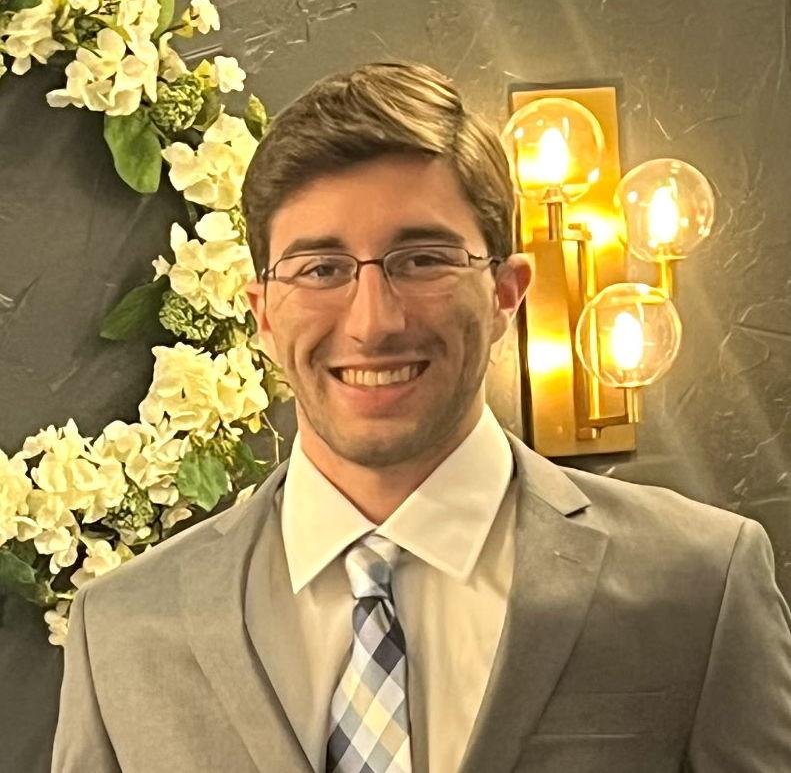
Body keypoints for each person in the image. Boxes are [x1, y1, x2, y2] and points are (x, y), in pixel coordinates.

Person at [52, 63, 791, 773]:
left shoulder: (697, 583)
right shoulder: (122, 629)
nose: (373, 323)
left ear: (505, 294)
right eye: (320, 269)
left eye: (422, 260)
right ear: (264, 314)